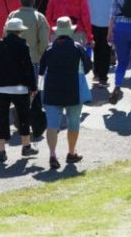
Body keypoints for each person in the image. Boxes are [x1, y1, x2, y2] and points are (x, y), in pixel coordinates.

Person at [39, 17, 93, 169]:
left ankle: (52, 155)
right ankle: (71, 153)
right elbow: (88, 67)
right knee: (73, 123)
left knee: (52, 125)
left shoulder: (49, 49)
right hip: (73, 90)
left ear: (57, 32)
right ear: (71, 31)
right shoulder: (77, 47)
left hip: (52, 90)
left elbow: (42, 70)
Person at [0, 18, 39, 162]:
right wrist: (33, 87)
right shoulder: (22, 45)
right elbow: (28, 67)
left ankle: (1, 151)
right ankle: (26, 146)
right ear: (20, 31)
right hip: (19, 87)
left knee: (1, 118)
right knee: (23, 117)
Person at [85, 0, 117, 86]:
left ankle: (97, 73)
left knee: (96, 50)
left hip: (92, 25)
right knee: (105, 51)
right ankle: (103, 77)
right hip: (107, 26)